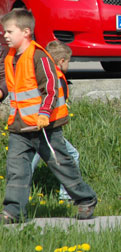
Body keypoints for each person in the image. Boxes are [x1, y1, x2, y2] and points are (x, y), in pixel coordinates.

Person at [0, 9, 96, 224]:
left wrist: (44, 113)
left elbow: (51, 89)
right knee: (16, 170)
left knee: (61, 165)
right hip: (20, 126)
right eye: (4, 31)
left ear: (26, 32)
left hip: (45, 126)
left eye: (9, 31)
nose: (5, 35)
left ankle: (85, 200)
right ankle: (13, 212)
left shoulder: (39, 56)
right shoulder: (10, 57)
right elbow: (10, 84)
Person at [30, 40, 80, 200]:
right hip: (48, 127)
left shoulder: (41, 72)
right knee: (71, 155)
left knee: (31, 159)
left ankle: (18, 194)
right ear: (62, 61)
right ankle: (67, 196)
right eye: (69, 62)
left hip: (35, 123)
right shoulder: (57, 78)